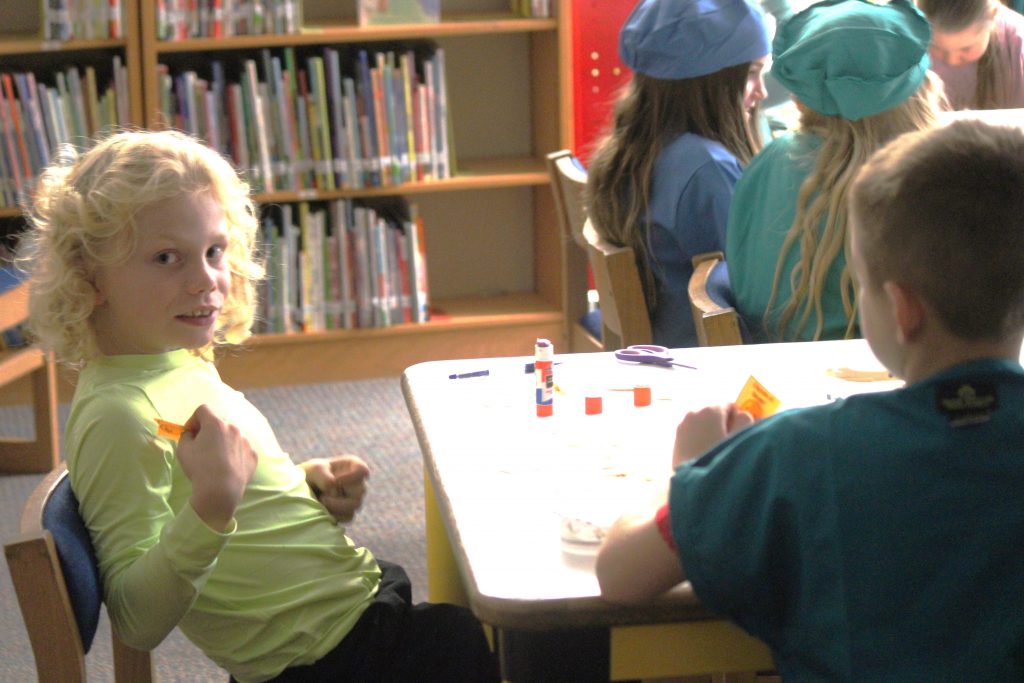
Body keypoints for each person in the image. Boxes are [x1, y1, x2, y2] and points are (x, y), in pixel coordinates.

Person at [18, 130, 499, 683]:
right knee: (498, 636)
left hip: (351, 613)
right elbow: (135, 619)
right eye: (166, 257)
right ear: (89, 275)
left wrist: (305, 486)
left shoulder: (175, 358)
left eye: (214, 251)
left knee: (475, 628)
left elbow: (208, 488)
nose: (205, 280)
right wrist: (213, 505)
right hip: (324, 660)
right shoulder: (117, 416)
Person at [595, 118, 1024, 681]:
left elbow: (620, 575)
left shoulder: (797, 454)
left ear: (902, 308)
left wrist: (689, 473)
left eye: (862, 284)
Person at [725, 0, 948, 342]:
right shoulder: (904, 188)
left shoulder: (770, 159)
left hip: (769, 372)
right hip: (860, 376)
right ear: (915, 97)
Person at [584, 0, 771, 348]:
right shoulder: (708, 169)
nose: (762, 91)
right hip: (704, 352)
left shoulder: (632, 148)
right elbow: (756, 293)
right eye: (751, 73)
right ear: (710, 81)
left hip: (664, 338)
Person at [918, 0, 1024, 110]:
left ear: (992, 16)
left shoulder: (1019, 46)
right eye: (936, 47)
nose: (952, 60)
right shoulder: (907, 41)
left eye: (966, 49)